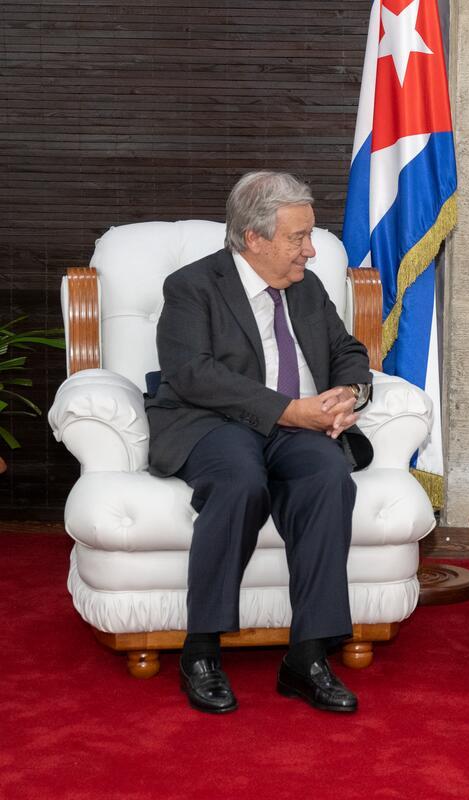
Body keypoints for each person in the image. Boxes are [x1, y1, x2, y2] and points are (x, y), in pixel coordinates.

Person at [146, 171, 373, 714]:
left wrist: (350, 392)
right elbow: (193, 374)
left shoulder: (306, 287)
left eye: (309, 235)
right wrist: (288, 410)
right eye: (298, 237)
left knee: (328, 476)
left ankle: (307, 657)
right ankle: (201, 650)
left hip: (296, 428)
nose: (310, 250)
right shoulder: (192, 286)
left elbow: (346, 349)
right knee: (240, 480)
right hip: (213, 422)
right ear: (254, 237)